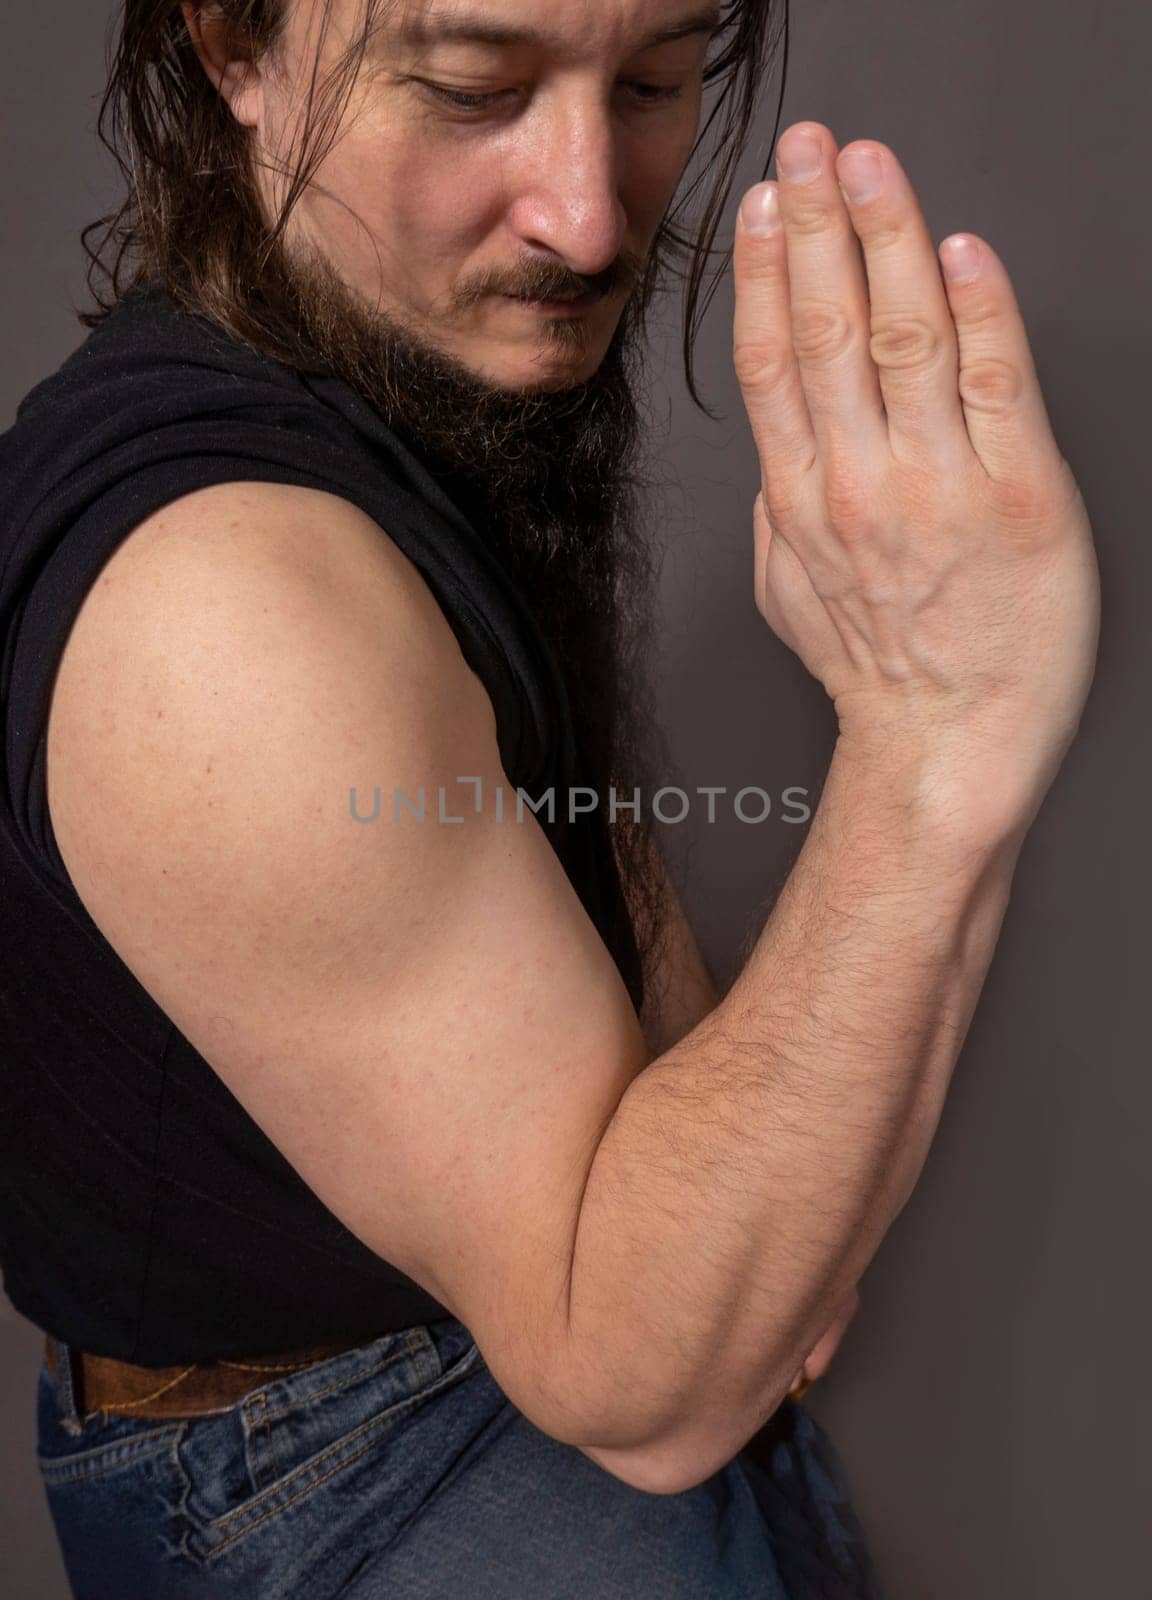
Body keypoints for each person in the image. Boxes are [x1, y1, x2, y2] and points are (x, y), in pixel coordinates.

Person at [0, 0, 1098, 1595]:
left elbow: (530, 785)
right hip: (392, 1490)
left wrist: (749, 1184)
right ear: (234, 47)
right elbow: (634, 1380)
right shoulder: (226, 616)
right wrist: (940, 738)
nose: (591, 214)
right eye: (472, 89)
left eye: (656, 80)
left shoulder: (358, 382)